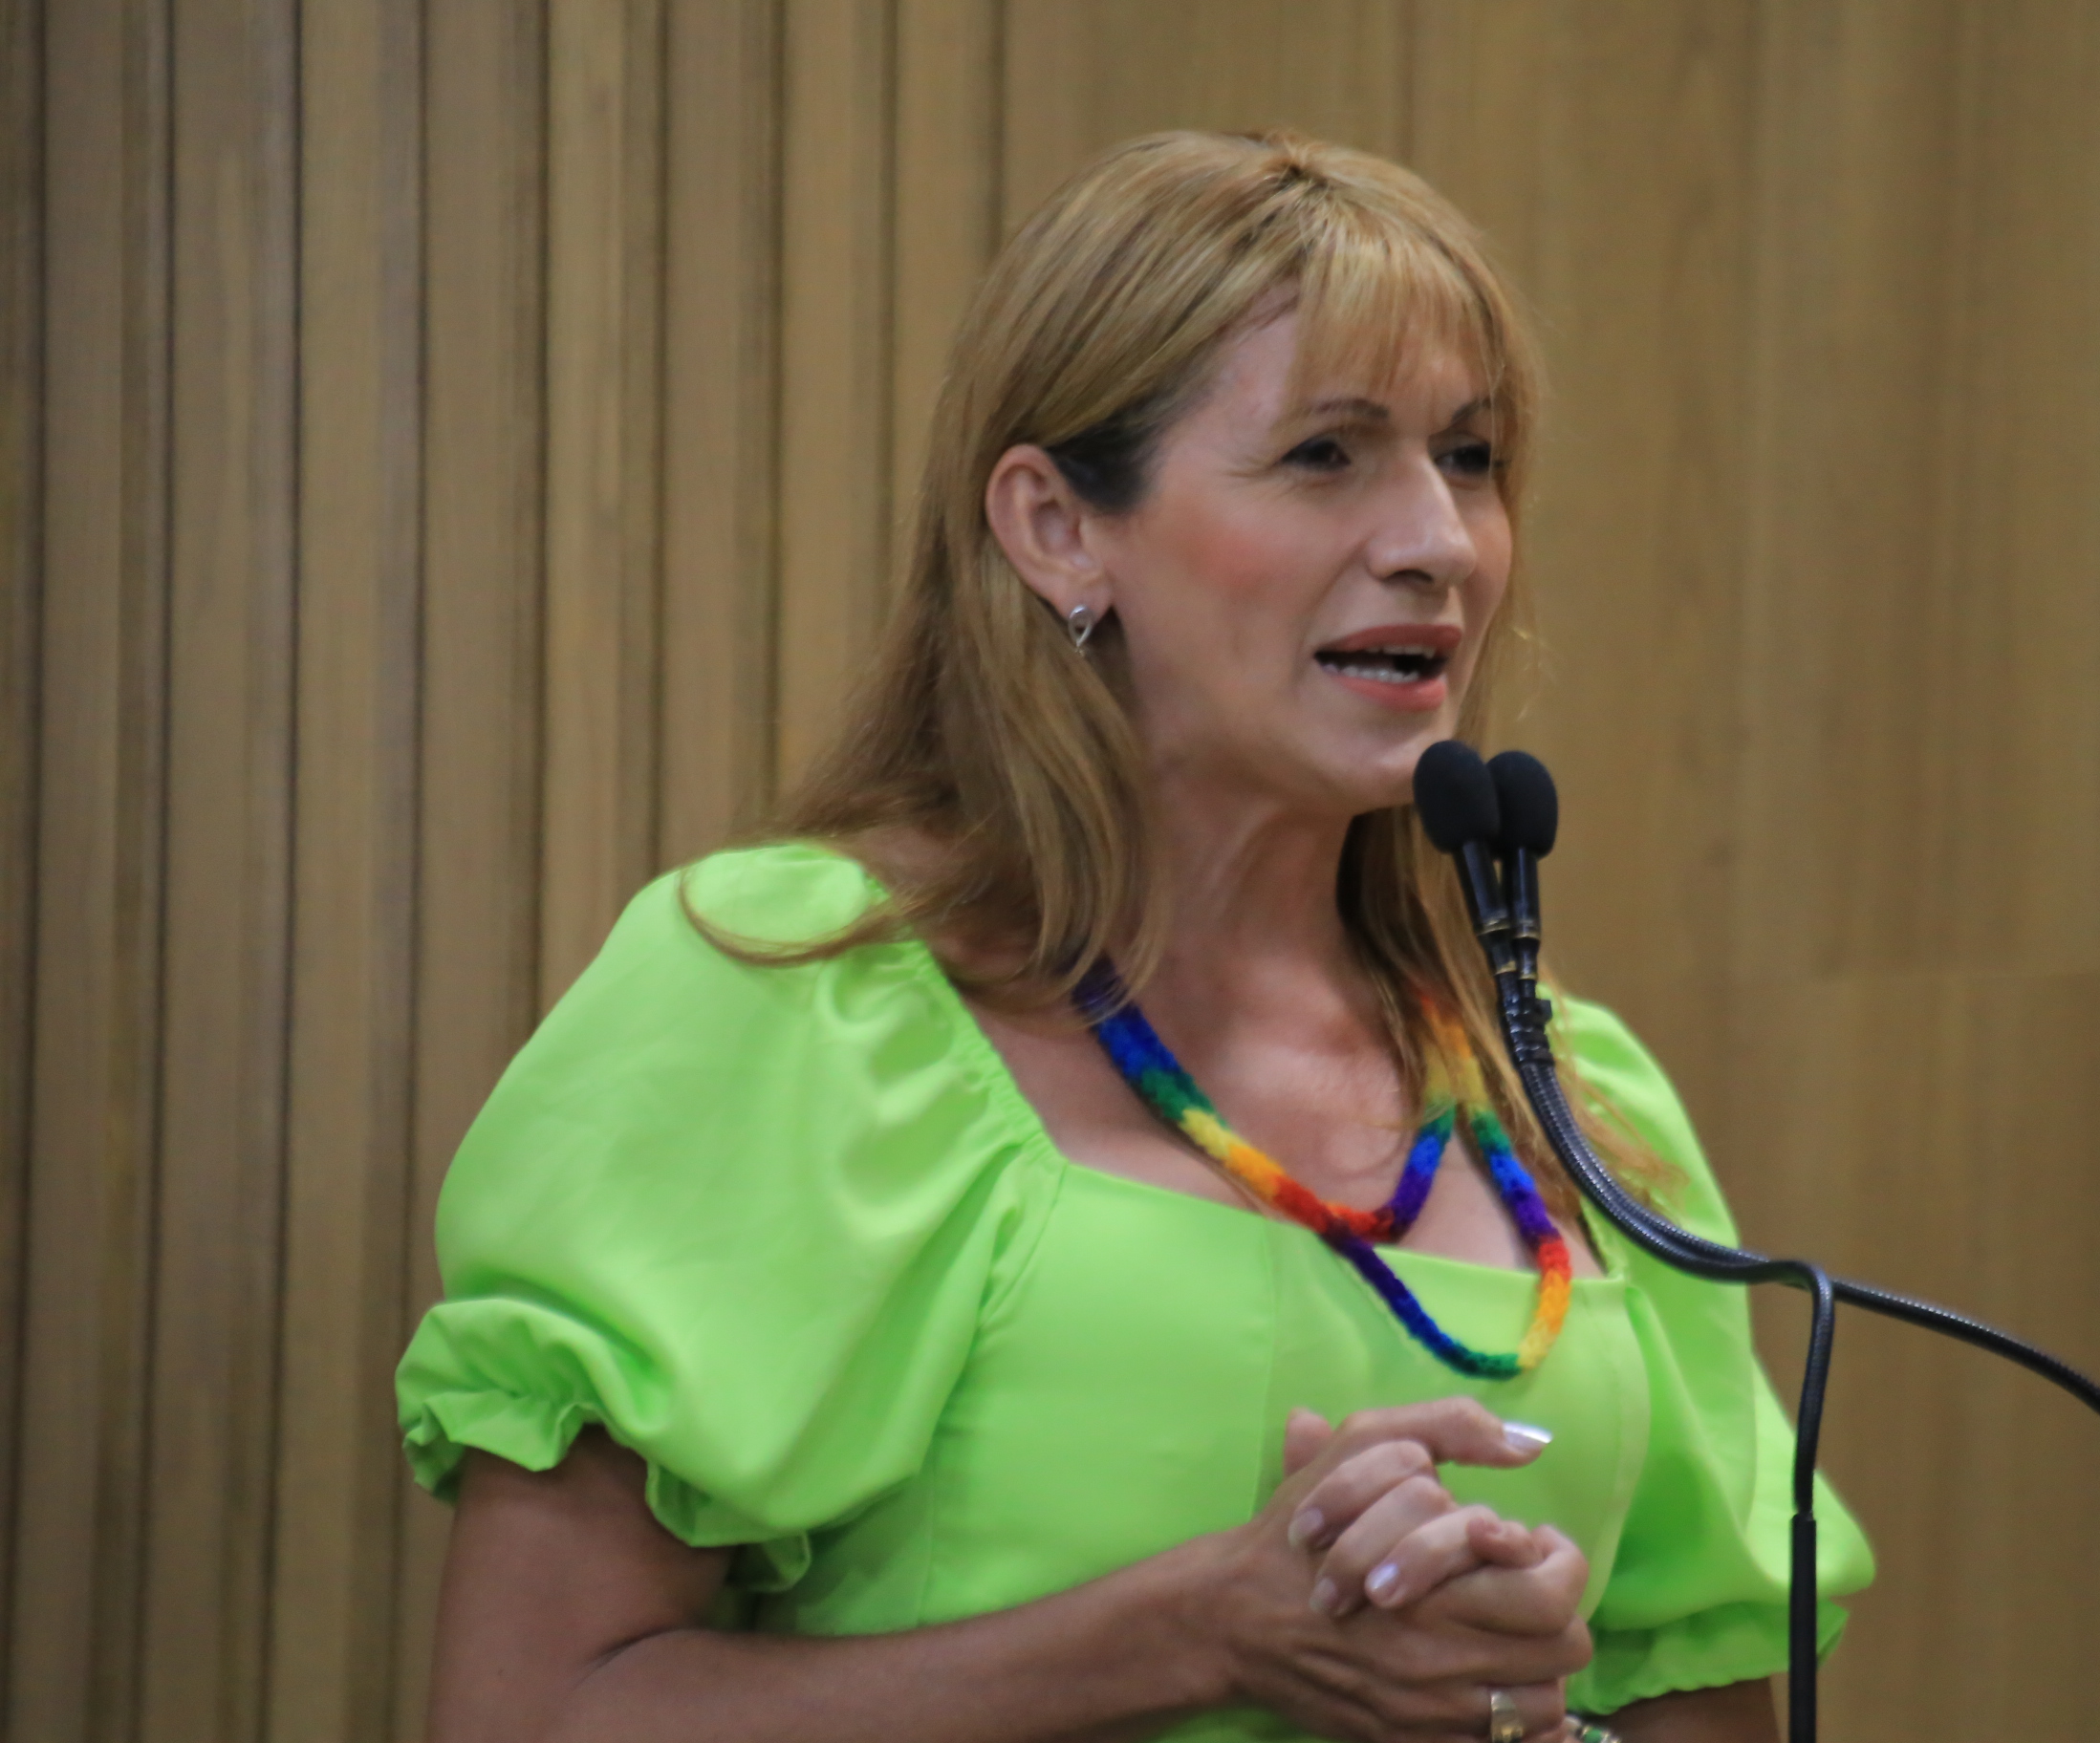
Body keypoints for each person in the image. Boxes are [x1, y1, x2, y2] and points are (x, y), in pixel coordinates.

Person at [396, 130, 1871, 1743]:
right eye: (1327, 454)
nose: (1440, 541)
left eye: (1470, 457)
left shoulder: (1565, 1100)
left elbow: (1696, 1705)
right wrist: (1192, 1637)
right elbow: (530, 1712)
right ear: (1056, 528)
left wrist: (1524, 1704)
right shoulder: (796, 1001)